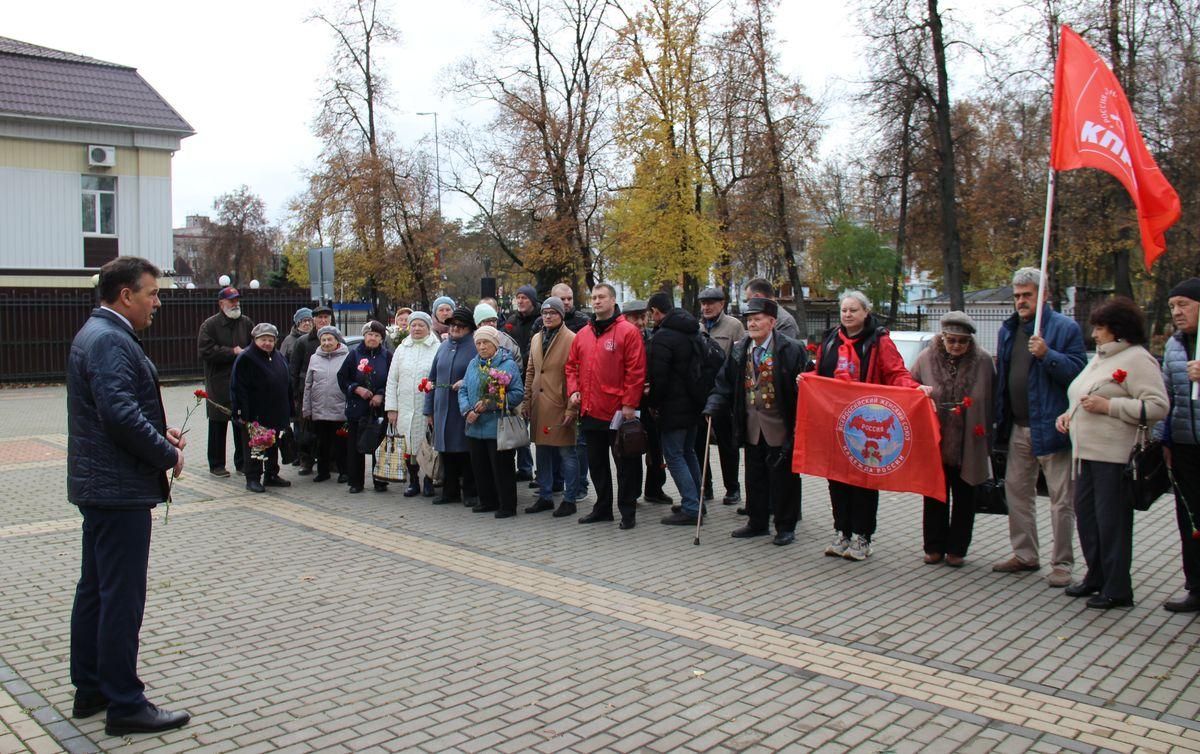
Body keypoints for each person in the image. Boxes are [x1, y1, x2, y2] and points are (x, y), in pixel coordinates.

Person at [67, 257, 190, 736]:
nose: (157, 302)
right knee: (120, 597)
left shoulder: (98, 335)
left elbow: (114, 408)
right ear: (126, 296)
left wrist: (159, 430)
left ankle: (92, 687)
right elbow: (118, 415)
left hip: (103, 486)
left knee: (96, 590)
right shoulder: (110, 339)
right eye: (152, 293)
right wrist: (165, 452)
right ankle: (125, 703)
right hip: (117, 489)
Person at [1053, 297, 1168, 609]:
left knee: (1111, 523)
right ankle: (1096, 574)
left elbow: (1157, 406)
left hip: (1114, 457)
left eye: (1100, 328)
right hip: (1085, 454)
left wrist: (1110, 407)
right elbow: (1081, 394)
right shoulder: (1101, 358)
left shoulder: (1137, 359)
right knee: (1088, 519)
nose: (1094, 334)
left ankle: (1118, 587)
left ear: (1118, 330)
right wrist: (1069, 414)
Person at [813, 291, 928, 560]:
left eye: (853, 310)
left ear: (866, 312)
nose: (848, 315)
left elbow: (896, 372)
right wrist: (805, 380)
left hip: (866, 426)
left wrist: (914, 389)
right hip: (836, 422)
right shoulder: (830, 340)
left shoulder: (879, 342)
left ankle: (863, 537)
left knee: (863, 480)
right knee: (837, 479)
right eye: (844, 310)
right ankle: (841, 531)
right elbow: (819, 374)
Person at [992, 267, 1087, 586]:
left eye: (1027, 295)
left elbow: (1078, 374)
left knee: (1061, 499)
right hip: (1018, 427)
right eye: (1017, 296)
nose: (1020, 301)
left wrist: (1048, 355)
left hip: (1053, 428)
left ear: (1042, 295)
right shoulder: (1008, 330)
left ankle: (1061, 562)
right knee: (1016, 492)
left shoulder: (1064, 328)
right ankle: (1025, 554)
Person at [704, 297, 808, 545]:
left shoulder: (790, 348)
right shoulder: (741, 349)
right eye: (749, 319)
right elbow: (724, 382)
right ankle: (757, 521)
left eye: (757, 319)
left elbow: (805, 385)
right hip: (751, 424)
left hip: (780, 425)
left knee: (784, 478)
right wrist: (713, 405)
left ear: (772, 322)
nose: (752, 324)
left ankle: (785, 525)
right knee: (755, 475)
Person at [911, 312, 995, 567]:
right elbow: (910, 385)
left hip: (969, 439)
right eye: (951, 340)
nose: (956, 346)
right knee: (935, 494)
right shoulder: (927, 358)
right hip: (936, 437)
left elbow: (993, 398)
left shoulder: (983, 361)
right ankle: (933, 546)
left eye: (962, 341)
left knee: (965, 494)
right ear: (942, 338)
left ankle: (957, 548)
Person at [566, 284, 646, 529]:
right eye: (594, 297)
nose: (597, 301)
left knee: (625, 464)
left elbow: (636, 371)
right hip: (590, 410)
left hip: (618, 412)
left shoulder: (628, 332)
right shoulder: (583, 334)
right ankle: (602, 508)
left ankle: (627, 511)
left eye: (602, 297)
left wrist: (630, 403)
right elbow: (571, 366)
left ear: (613, 300)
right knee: (597, 463)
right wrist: (574, 390)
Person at [646, 293, 706, 526]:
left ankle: (691, 507)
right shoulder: (691, 331)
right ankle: (698, 502)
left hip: (673, 407)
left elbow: (659, 379)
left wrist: (653, 404)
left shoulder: (663, 337)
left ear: (655, 312)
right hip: (693, 403)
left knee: (674, 456)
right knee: (689, 452)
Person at [1159, 277, 1200, 613]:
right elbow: (1166, 395)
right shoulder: (1174, 345)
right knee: (1190, 518)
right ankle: (1196, 585)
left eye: (1184, 304)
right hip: (1185, 444)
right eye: (1173, 306)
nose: (1177, 312)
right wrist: (1164, 438)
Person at [459, 325, 526, 517]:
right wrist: (466, 410)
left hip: (497, 426)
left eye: (486, 342)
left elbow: (517, 394)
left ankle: (507, 505)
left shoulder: (506, 364)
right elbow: (463, 389)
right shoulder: (474, 363)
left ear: (495, 344)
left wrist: (491, 403)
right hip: (474, 424)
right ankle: (487, 501)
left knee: (501, 468)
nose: (481, 347)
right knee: (480, 467)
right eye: (478, 343)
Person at [523, 297, 580, 516]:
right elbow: (531, 371)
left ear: (561, 315)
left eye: (553, 313)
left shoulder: (572, 339)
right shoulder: (537, 338)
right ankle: (545, 496)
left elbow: (577, 374)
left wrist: (571, 409)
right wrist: (527, 400)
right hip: (539, 404)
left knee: (567, 452)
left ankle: (570, 498)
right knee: (542, 451)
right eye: (545, 312)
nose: (547, 316)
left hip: (560, 403)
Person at [425, 306, 480, 505]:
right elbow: (431, 379)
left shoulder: (475, 347)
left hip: (463, 409)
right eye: (453, 325)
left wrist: (465, 382)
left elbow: (482, 376)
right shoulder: (443, 346)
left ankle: (471, 492)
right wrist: (428, 409)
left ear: (469, 328)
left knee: (465, 452)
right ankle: (450, 491)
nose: (455, 329)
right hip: (442, 408)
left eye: (460, 326)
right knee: (446, 451)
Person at [696, 286, 746, 505]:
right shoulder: (697, 327)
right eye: (703, 303)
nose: (706, 307)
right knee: (700, 443)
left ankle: (732, 488)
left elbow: (740, 357)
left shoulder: (733, 326)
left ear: (722, 304)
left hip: (724, 394)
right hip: (701, 394)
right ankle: (705, 487)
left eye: (711, 303)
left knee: (727, 443)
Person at [230, 323, 294, 494]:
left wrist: (289, 409)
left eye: (270, 340)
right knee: (256, 446)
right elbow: (238, 387)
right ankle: (253, 478)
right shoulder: (246, 358)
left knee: (272, 444)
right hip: (255, 413)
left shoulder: (278, 356)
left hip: (276, 411)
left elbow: (287, 383)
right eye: (263, 339)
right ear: (255, 340)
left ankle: (271, 474)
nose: (267, 343)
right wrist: (241, 412)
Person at [197, 286, 254, 477]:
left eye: (237, 300)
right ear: (221, 304)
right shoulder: (210, 325)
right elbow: (205, 351)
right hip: (218, 384)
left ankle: (242, 462)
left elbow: (254, 345)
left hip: (242, 383)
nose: (235, 303)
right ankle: (217, 465)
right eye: (231, 301)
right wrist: (232, 352)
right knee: (218, 424)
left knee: (241, 424)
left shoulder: (245, 322)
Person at [385, 311, 441, 497]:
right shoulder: (402, 349)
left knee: (427, 445)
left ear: (428, 327)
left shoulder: (436, 348)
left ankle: (429, 480)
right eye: (413, 325)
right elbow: (392, 380)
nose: (417, 329)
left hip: (426, 408)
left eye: (421, 325)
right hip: (405, 408)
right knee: (408, 446)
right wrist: (392, 408)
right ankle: (413, 481)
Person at [338, 320, 393, 494]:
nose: (372, 338)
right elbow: (342, 378)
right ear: (364, 336)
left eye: (377, 335)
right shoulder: (353, 355)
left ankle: (380, 480)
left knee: (379, 444)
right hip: (357, 408)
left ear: (381, 339)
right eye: (370, 334)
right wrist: (356, 389)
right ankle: (356, 482)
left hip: (379, 408)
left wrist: (381, 394)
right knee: (355, 446)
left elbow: (392, 380)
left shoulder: (387, 356)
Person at [624, 300, 669, 505]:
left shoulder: (653, 338)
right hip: (630, 402)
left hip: (651, 403)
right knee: (631, 447)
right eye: (636, 318)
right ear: (625, 318)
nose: (641, 322)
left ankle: (654, 488)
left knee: (655, 448)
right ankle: (631, 493)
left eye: (643, 317)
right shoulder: (623, 339)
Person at [289, 304, 337, 477]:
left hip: (331, 394)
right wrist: (294, 394)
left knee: (330, 428)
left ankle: (331, 461)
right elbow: (293, 370)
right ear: (314, 320)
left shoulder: (337, 340)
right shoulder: (303, 342)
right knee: (306, 429)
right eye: (319, 317)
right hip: (306, 393)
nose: (323, 320)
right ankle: (306, 461)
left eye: (326, 317)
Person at [302, 325, 349, 483]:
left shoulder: (346, 356)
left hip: (339, 409)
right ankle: (323, 472)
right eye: (323, 339)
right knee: (321, 443)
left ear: (337, 340)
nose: (327, 342)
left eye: (330, 339)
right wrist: (306, 408)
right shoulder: (314, 358)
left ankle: (344, 471)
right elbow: (308, 384)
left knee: (341, 443)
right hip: (319, 409)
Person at [474, 302, 523, 366]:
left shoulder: (507, 342)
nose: (492, 323)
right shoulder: (471, 342)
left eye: (494, 320)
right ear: (478, 325)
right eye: (487, 321)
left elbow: (517, 367)